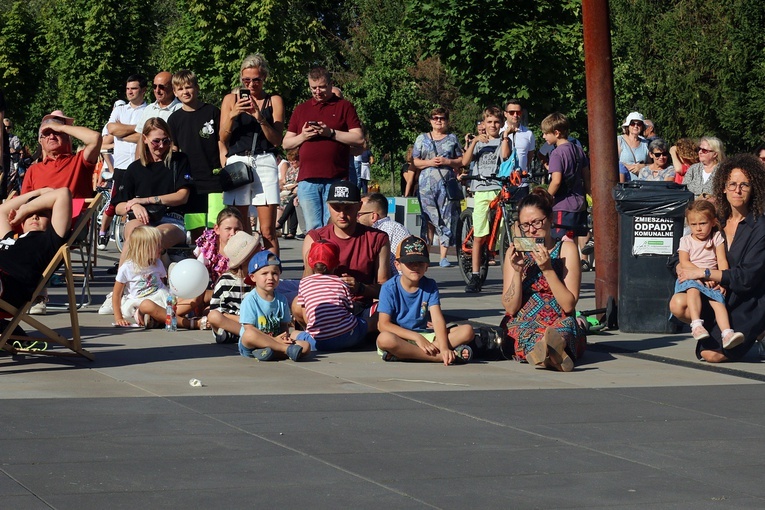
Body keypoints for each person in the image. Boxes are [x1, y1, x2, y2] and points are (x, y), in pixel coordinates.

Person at [670, 154, 765, 362]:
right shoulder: (714, 219)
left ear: (753, 188)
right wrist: (681, 265)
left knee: (713, 355)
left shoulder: (759, 226)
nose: (737, 190)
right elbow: (678, 255)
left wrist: (706, 273)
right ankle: (722, 329)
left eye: (744, 185)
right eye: (732, 184)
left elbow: (748, 276)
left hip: (748, 299)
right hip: (716, 294)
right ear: (723, 187)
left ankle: (759, 336)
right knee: (678, 303)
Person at [502, 188, 585, 372]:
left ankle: (546, 354)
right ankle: (553, 357)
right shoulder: (516, 253)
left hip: (558, 320)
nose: (531, 230)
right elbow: (510, 308)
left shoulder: (566, 250)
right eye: (525, 225)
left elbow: (569, 306)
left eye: (537, 222)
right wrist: (517, 271)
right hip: (525, 321)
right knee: (521, 331)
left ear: (550, 219)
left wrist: (547, 269)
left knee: (564, 329)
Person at [296, 180, 389, 331]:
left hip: (361, 307)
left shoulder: (378, 238)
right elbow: (305, 286)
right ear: (328, 207)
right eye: (336, 208)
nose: (342, 214)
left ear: (359, 207)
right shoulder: (315, 237)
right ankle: (341, 332)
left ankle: (340, 332)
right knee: (296, 305)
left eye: (348, 208)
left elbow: (386, 288)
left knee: (388, 309)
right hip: (324, 306)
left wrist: (359, 287)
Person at [282, 66, 364, 231]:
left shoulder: (344, 106)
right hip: (307, 179)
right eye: (313, 88)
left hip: (336, 177)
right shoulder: (301, 109)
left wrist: (330, 133)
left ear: (330, 84)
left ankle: (333, 257)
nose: (317, 91)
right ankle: (315, 257)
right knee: (312, 228)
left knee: (333, 226)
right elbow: (286, 143)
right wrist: (303, 136)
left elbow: (359, 138)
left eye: (321, 87)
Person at [220, 54, 285, 253]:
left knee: (267, 230)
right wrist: (233, 115)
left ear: (264, 77)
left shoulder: (273, 100)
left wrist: (260, 118)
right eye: (246, 80)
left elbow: (276, 140)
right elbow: (223, 137)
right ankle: (245, 271)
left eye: (256, 79)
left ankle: (272, 272)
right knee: (240, 229)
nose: (251, 85)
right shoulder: (231, 99)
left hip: (264, 159)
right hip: (238, 162)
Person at [376, 236, 475, 364]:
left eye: (420, 263)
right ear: (398, 265)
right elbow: (383, 324)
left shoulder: (430, 285)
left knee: (467, 331)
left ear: (427, 266)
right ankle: (437, 357)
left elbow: (437, 318)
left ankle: (408, 355)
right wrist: (416, 338)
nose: (415, 267)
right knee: (384, 339)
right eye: (410, 263)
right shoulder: (389, 287)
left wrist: (444, 347)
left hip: (427, 336)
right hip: (401, 337)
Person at [114, 118, 192, 265]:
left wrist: (146, 200)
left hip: (172, 218)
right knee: (135, 235)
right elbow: (118, 206)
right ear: (144, 139)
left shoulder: (179, 161)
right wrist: (134, 206)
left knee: (151, 237)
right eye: (156, 141)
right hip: (141, 219)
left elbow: (182, 196)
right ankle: (121, 286)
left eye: (166, 141)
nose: (161, 146)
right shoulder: (134, 169)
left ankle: (156, 278)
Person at [672, 200, 744, 349]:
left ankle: (727, 334)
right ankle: (697, 325)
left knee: (718, 301)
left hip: (712, 278)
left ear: (713, 222)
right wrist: (700, 276)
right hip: (692, 277)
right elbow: (684, 262)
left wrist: (722, 280)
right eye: (693, 225)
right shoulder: (686, 240)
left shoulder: (716, 238)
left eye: (703, 223)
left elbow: (722, 260)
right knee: (693, 290)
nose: (698, 228)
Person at [167, 70, 226, 241]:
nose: (185, 92)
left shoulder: (212, 112)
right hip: (190, 182)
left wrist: (224, 169)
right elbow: (175, 149)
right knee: (197, 231)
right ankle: (201, 263)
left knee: (217, 226)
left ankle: (218, 264)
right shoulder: (174, 119)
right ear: (175, 92)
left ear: (197, 88)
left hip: (214, 179)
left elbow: (221, 143)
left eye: (188, 87)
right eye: (180, 89)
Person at [461, 106, 511, 293]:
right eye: (489, 122)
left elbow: (505, 156)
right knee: (480, 235)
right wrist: (474, 142)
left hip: (498, 188)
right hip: (481, 189)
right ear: (484, 123)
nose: (493, 125)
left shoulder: (503, 141)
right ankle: (475, 275)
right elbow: (465, 162)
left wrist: (505, 137)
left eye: (496, 122)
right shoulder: (479, 142)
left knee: (504, 228)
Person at [0, 187, 72, 309]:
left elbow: (63, 194)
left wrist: (25, 210)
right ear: (22, 223)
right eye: (29, 215)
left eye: (42, 214)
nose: (34, 217)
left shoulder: (50, 240)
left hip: (10, 286)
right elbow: (1, 211)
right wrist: (38, 192)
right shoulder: (10, 237)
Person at [99, 75, 149, 250]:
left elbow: (146, 137)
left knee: (139, 205)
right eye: (128, 88)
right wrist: (138, 129)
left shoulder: (149, 110)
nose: (130, 92)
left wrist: (124, 131)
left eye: (134, 88)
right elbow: (112, 129)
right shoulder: (120, 109)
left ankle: (134, 245)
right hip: (120, 167)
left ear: (143, 90)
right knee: (117, 203)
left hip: (140, 165)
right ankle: (106, 233)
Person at [292, 240, 368, 351]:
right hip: (348, 337)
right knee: (369, 322)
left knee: (294, 334)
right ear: (337, 263)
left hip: (318, 342)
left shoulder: (304, 283)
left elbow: (306, 315)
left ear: (310, 262)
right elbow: (349, 309)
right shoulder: (341, 282)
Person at [412, 107, 463, 267]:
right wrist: (429, 162)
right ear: (430, 120)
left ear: (447, 121)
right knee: (428, 218)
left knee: (446, 216)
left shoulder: (452, 139)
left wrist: (448, 162)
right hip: (426, 185)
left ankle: (443, 256)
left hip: (445, 184)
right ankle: (425, 255)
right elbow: (415, 161)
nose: (438, 121)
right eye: (435, 118)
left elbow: (461, 160)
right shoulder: (422, 139)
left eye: (441, 118)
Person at [238, 250, 310, 361]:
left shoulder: (281, 299)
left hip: (277, 341)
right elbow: (249, 328)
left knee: (306, 346)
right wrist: (274, 341)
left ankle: (269, 353)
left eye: (275, 273)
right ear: (253, 277)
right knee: (249, 334)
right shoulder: (250, 300)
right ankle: (283, 350)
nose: (270, 277)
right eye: (264, 273)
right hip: (253, 344)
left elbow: (284, 326)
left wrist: (284, 336)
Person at [22, 110, 102, 198]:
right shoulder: (33, 170)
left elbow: (95, 138)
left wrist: (61, 127)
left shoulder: (79, 162)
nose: (52, 137)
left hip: (74, 211)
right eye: (47, 134)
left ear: (67, 138)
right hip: (41, 211)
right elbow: (23, 203)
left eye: (56, 132)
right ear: (41, 142)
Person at [111, 225, 172, 328]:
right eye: (157, 245)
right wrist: (119, 318)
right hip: (139, 301)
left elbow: (162, 283)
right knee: (145, 307)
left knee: (169, 299)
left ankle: (157, 319)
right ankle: (147, 317)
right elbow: (116, 295)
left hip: (158, 297)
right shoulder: (127, 267)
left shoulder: (157, 263)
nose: (161, 248)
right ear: (144, 248)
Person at [207, 230, 261, 344]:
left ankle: (251, 337)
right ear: (245, 260)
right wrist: (244, 320)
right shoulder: (226, 281)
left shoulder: (262, 276)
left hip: (258, 321)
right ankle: (246, 335)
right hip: (234, 322)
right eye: (257, 252)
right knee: (214, 317)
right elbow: (217, 310)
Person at [542, 112, 589, 242]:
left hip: (562, 206)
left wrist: (545, 199)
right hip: (580, 204)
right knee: (579, 239)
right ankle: (583, 262)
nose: (544, 136)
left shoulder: (556, 153)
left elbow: (556, 181)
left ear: (556, 133)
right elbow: (587, 177)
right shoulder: (579, 150)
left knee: (562, 241)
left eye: (546, 133)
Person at [357, 192, 410, 276]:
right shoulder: (364, 231)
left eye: (359, 214)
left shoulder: (394, 229)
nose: (356, 218)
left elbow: (403, 271)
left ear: (373, 216)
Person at [499, 98, 536, 197]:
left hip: (521, 183)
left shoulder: (528, 134)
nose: (515, 115)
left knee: (521, 211)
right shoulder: (499, 132)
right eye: (512, 112)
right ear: (505, 114)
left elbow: (529, 157)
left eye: (518, 112)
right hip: (502, 182)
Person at [133, 72, 182, 136]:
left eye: (161, 87)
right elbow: (140, 136)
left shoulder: (181, 109)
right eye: (154, 86)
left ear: (173, 88)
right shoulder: (149, 109)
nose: (157, 90)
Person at [275, 149, 300, 239]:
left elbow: (298, 182)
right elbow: (285, 181)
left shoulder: (301, 169)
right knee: (284, 200)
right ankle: (291, 231)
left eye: (294, 161)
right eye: (291, 161)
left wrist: (288, 187)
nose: (292, 163)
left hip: (295, 190)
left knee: (290, 200)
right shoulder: (290, 169)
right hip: (288, 191)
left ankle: (279, 224)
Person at [617, 111, 649, 176]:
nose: (636, 126)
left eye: (639, 124)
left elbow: (652, 164)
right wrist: (627, 167)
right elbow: (612, 162)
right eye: (632, 123)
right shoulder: (619, 140)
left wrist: (643, 166)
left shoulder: (646, 143)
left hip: (642, 182)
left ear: (642, 126)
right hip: (624, 182)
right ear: (628, 126)